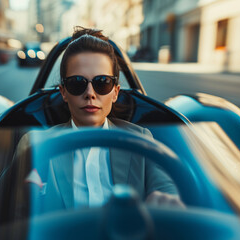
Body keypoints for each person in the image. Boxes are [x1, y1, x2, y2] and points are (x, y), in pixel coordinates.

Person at [42, 27, 183, 210]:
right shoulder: (40, 145)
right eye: (77, 83)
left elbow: (164, 187)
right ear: (64, 92)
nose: (90, 94)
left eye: (102, 82)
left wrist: (165, 199)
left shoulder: (140, 138)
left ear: (115, 92)